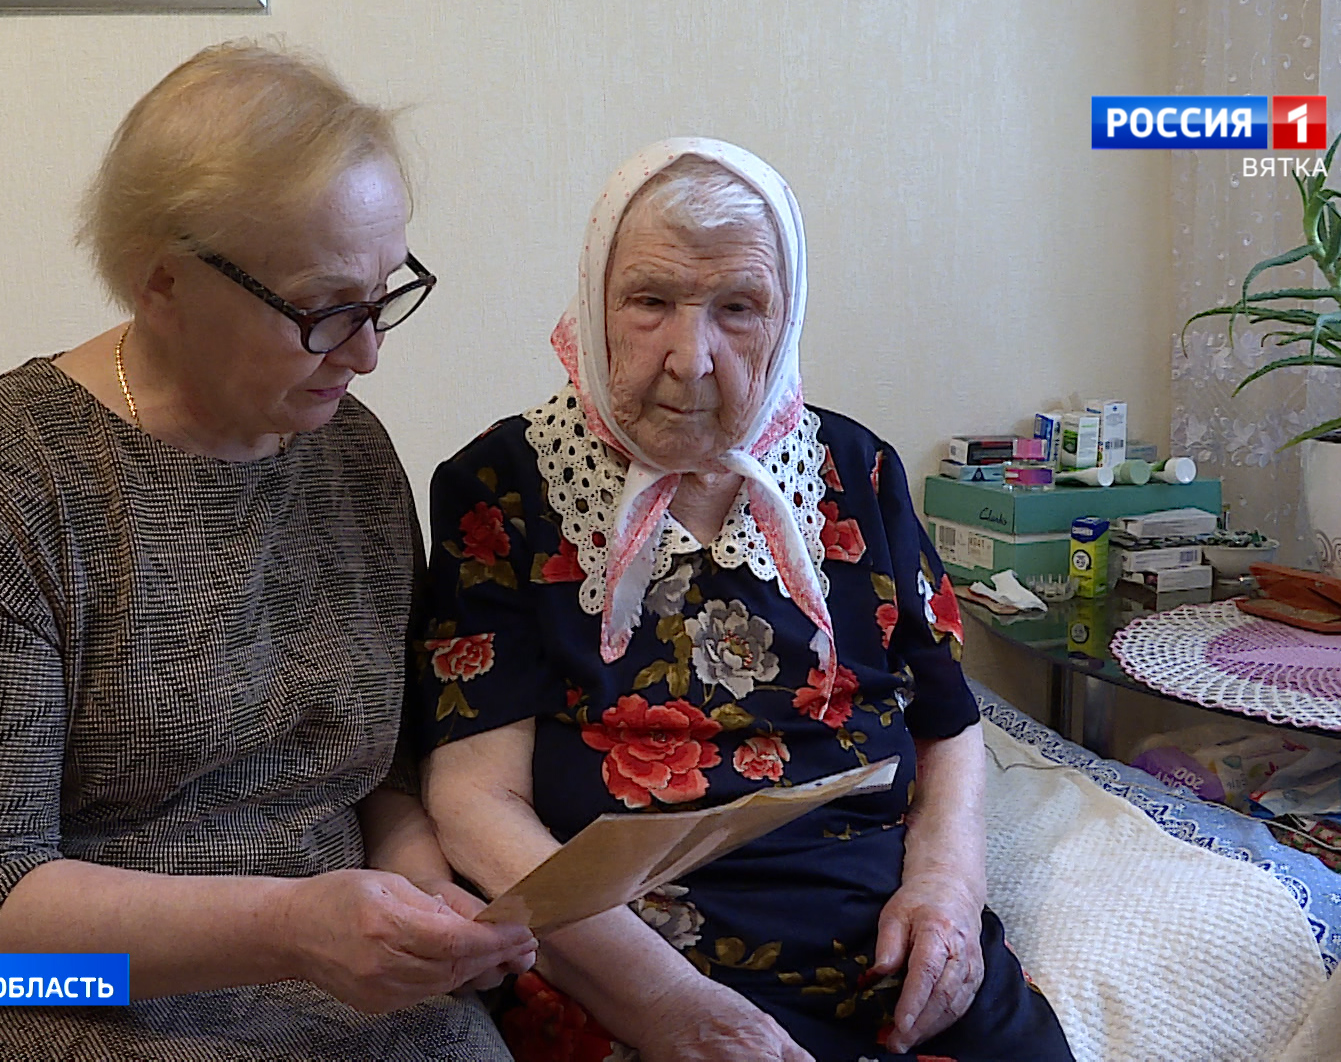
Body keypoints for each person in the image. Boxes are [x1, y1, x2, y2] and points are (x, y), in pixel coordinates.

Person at [0, 41, 533, 1060]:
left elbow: (368, 770)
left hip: (308, 957)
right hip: (12, 975)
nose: (368, 351)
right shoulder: (5, 487)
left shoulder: (349, 455)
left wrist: (423, 894)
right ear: (163, 282)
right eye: (325, 309)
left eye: (384, 295)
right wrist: (291, 927)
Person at [416, 139, 1073, 1062]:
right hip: (620, 945)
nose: (691, 358)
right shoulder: (504, 486)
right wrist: (663, 1001)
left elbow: (949, 721)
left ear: (787, 314)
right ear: (594, 302)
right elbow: (472, 799)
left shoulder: (855, 469)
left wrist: (947, 889)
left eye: (738, 308)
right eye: (650, 301)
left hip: (874, 924)